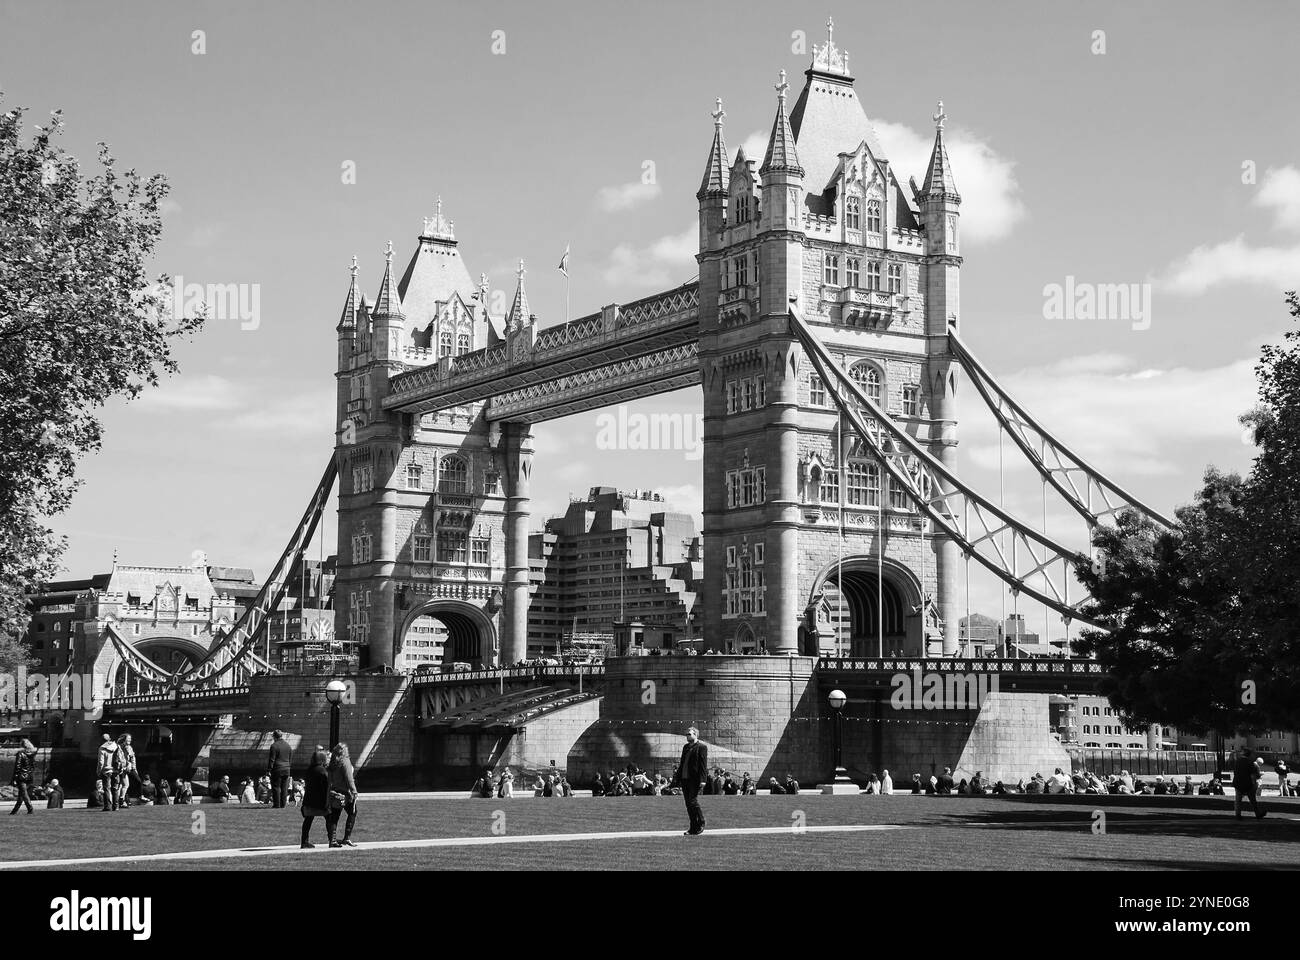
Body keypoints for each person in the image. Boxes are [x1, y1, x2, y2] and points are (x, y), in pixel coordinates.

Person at [673, 725, 709, 836]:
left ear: (695, 734)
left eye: (689, 734)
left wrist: (703, 779)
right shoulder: (686, 747)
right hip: (685, 779)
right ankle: (693, 827)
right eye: (686, 734)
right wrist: (677, 779)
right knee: (688, 804)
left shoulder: (702, 747)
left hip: (695, 779)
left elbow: (703, 765)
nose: (687, 736)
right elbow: (682, 763)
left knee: (693, 801)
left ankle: (701, 821)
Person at [326, 742, 359, 848]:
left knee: (334, 816)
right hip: (345, 793)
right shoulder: (345, 761)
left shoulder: (332, 762)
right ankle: (347, 838)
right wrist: (354, 791)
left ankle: (332, 840)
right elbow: (349, 779)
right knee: (352, 812)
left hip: (335, 792)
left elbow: (329, 779)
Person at [300, 748, 330, 849]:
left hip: (309, 799)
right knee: (330, 819)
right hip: (321, 800)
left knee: (308, 820)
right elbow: (326, 787)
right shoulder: (322, 771)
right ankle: (332, 839)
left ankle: (304, 841)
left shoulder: (310, 769)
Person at [1233, 748, 1265, 819]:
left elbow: (1235, 772)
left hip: (1238, 782)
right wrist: (1253, 783)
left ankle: (1238, 814)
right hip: (1247, 783)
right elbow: (1253, 775)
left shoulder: (1237, 761)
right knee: (1253, 800)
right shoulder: (1250, 762)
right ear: (1249, 755)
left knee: (1238, 800)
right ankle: (1257, 813)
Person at [9, 739, 37, 815]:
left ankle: (30, 809)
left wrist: (15, 777)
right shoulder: (32, 754)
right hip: (29, 776)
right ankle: (14, 811)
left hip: (22, 776)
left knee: (24, 794)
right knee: (21, 794)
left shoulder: (20, 754)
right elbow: (33, 766)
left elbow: (17, 766)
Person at [268, 730, 293, 809]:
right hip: (287, 768)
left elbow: (272, 759)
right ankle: (283, 804)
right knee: (284, 787)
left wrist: (269, 770)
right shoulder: (288, 745)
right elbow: (290, 758)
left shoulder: (274, 746)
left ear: (274, 737)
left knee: (276, 787)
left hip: (277, 768)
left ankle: (277, 804)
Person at [96, 734, 119, 812]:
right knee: (115, 789)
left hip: (106, 771)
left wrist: (98, 771)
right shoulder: (116, 746)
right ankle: (116, 806)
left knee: (107, 789)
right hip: (116, 770)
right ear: (109, 738)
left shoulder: (102, 748)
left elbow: (101, 762)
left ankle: (108, 806)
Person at [115, 734, 137, 808]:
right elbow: (119, 759)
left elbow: (132, 758)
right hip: (120, 769)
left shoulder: (129, 748)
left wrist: (132, 766)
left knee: (122, 785)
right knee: (124, 785)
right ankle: (120, 801)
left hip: (125, 769)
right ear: (124, 739)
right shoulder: (118, 748)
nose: (130, 740)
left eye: (130, 738)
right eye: (128, 738)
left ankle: (119, 801)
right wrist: (124, 766)